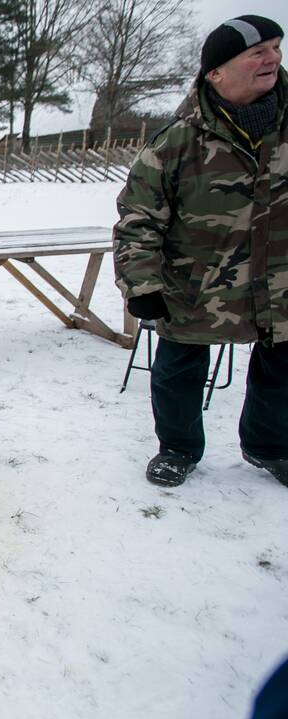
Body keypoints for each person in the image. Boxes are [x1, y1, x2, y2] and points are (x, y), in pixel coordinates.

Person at [113, 15, 288, 488]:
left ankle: (271, 447)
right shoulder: (175, 144)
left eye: (274, 46)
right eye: (256, 52)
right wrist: (142, 284)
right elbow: (137, 220)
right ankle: (178, 448)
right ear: (216, 72)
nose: (272, 58)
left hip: (282, 285)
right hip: (196, 287)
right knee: (178, 371)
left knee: (281, 370)